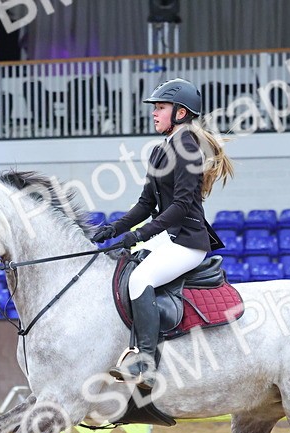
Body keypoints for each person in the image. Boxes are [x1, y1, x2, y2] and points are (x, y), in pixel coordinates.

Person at [91, 78, 235, 389]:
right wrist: (113, 228)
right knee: (119, 265)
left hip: (186, 241)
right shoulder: (161, 151)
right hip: (168, 237)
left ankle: (145, 362)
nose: (154, 113)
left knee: (141, 278)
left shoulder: (187, 150)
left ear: (181, 113)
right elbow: (146, 203)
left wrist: (141, 234)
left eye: (161, 108)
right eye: (155, 108)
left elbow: (182, 206)